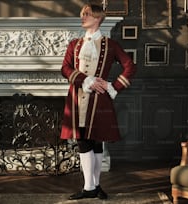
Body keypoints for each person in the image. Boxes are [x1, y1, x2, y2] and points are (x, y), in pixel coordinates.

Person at [60, 3, 136, 200]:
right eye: (82, 14)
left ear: (98, 18)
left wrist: (113, 87)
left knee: (97, 142)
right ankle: (90, 186)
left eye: (87, 14)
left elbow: (130, 66)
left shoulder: (111, 45)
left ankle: (93, 187)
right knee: (83, 140)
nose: (82, 17)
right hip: (77, 100)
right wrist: (86, 80)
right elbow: (65, 69)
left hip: (99, 101)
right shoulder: (73, 44)